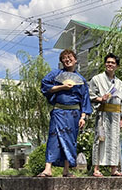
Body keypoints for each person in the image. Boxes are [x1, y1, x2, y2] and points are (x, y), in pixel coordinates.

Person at [39, 49, 92, 177]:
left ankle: (66, 170)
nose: (67, 60)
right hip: (58, 111)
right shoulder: (55, 74)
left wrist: (83, 117)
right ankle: (48, 169)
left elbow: (85, 100)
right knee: (53, 138)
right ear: (61, 61)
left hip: (74, 113)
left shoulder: (81, 80)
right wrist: (62, 87)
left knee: (70, 140)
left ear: (75, 60)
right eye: (64, 58)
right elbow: (45, 87)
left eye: (70, 57)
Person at [89, 53, 122, 177]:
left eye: (112, 63)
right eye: (108, 62)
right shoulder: (97, 79)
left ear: (117, 66)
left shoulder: (120, 83)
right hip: (103, 114)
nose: (110, 64)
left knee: (115, 140)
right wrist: (100, 98)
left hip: (116, 115)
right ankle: (96, 168)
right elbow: (90, 95)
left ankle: (114, 168)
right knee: (100, 140)